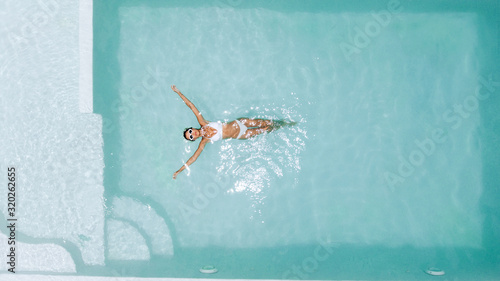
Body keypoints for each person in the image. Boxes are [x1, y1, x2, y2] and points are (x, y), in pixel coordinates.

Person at [171, 85, 292, 179]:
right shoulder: (204, 142)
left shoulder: (203, 122)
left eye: (190, 131)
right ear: (194, 139)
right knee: (265, 130)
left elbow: (191, 106)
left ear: (192, 128)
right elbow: (193, 158)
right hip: (239, 135)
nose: (193, 134)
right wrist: (179, 170)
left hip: (240, 123)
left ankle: (285, 122)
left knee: (265, 122)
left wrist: (178, 92)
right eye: (191, 137)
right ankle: (283, 126)